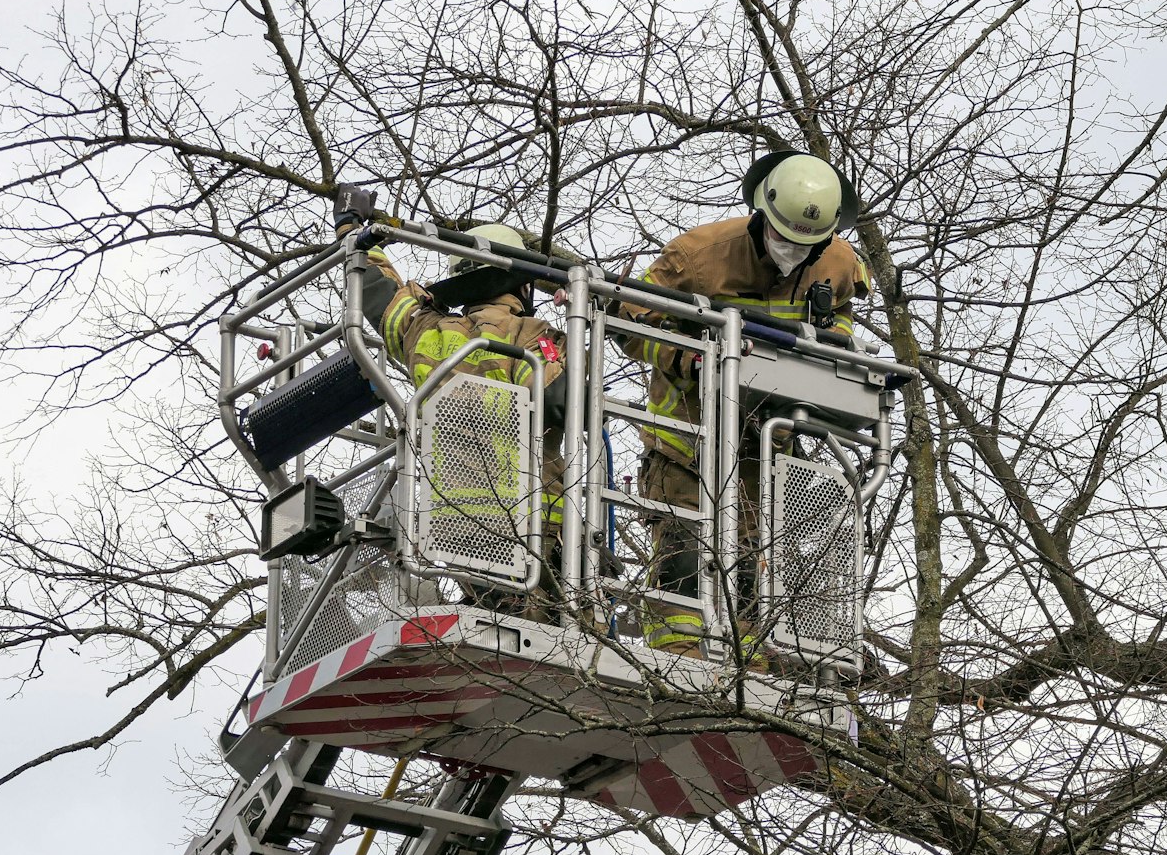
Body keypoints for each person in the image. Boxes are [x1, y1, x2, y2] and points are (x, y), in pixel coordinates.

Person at [620, 152, 871, 660]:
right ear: (761, 215)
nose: (790, 253)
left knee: (753, 573)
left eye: (805, 246)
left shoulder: (839, 262)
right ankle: (679, 658)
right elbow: (627, 316)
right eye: (782, 239)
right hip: (686, 440)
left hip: (765, 445)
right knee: (685, 559)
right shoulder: (699, 255)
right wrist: (685, 358)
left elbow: (841, 318)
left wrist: (830, 347)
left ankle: (749, 668)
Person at [351, 221, 571, 623]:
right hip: (526, 525)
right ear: (522, 285)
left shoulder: (428, 332)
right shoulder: (529, 333)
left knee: (494, 615)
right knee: (557, 625)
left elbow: (378, 297)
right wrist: (579, 322)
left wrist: (355, 233)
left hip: (454, 526)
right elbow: (558, 405)